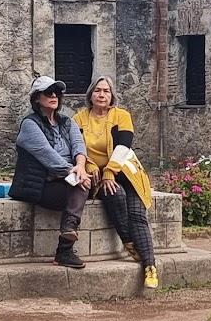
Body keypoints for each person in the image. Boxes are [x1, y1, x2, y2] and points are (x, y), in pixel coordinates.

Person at [73, 77, 159, 290]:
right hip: (95, 174)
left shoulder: (122, 116)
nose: (102, 95)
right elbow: (76, 147)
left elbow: (124, 146)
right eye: (98, 91)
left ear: (112, 96)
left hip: (126, 171)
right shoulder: (79, 119)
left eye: (106, 91)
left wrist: (110, 172)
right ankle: (129, 242)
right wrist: (92, 167)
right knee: (114, 194)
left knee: (138, 214)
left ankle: (150, 267)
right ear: (90, 95)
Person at [8, 76, 91, 269]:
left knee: (87, 181)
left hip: (67, 180)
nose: (54, 95)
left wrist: (80, 166)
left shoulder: (67, 122)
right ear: (37, 98)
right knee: (82, 184)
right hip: (39, 186)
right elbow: (49, 157)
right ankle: (65, 248)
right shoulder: (30, 125)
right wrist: (75, 173)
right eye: (48, 92)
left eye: (57, 92)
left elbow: (79, 145)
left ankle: (67, 237)